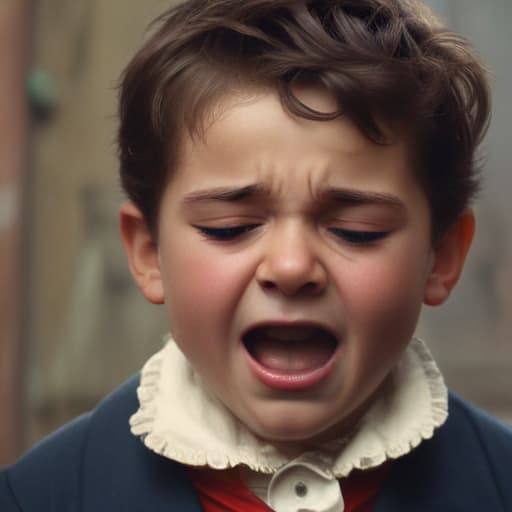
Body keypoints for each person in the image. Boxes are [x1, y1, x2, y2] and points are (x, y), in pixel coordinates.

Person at [2, 0, 511, 510]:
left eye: (357, 230)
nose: (290, 267)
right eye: (232, 227)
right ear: (148, 252)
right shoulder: (36, 496)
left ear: (441, 257)